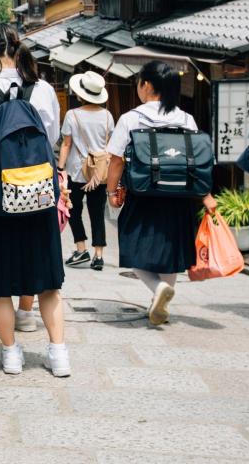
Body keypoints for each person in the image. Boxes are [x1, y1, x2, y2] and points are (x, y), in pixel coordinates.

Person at [0, 22, 69, 377]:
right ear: (18, 48)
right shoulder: (45, 90)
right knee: (49, 283)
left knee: (0, 284)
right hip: (38, 193)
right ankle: (58, 353)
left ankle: (10, 354)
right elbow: (51, 138)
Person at [106, 60, 217, 325]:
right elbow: (197, 161)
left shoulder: (132, 118)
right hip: (179, 197)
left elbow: (116, 161)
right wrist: (205, 194)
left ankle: (157, 290)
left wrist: (112, 192)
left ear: (146, 85)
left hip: (143, 195)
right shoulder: (186, 118)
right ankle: (159, 302)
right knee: (170, 253)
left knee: (133, 249)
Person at [58, 71, 114, 271]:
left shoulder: (72, 115)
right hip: (99, 174)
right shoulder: (107, 116)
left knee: (72, 209)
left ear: (81, 94)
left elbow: (66, 144)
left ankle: (81, 248)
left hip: (76, 171)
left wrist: (60, 169)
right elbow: (109, 145)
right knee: (97, 212)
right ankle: (98, 256)